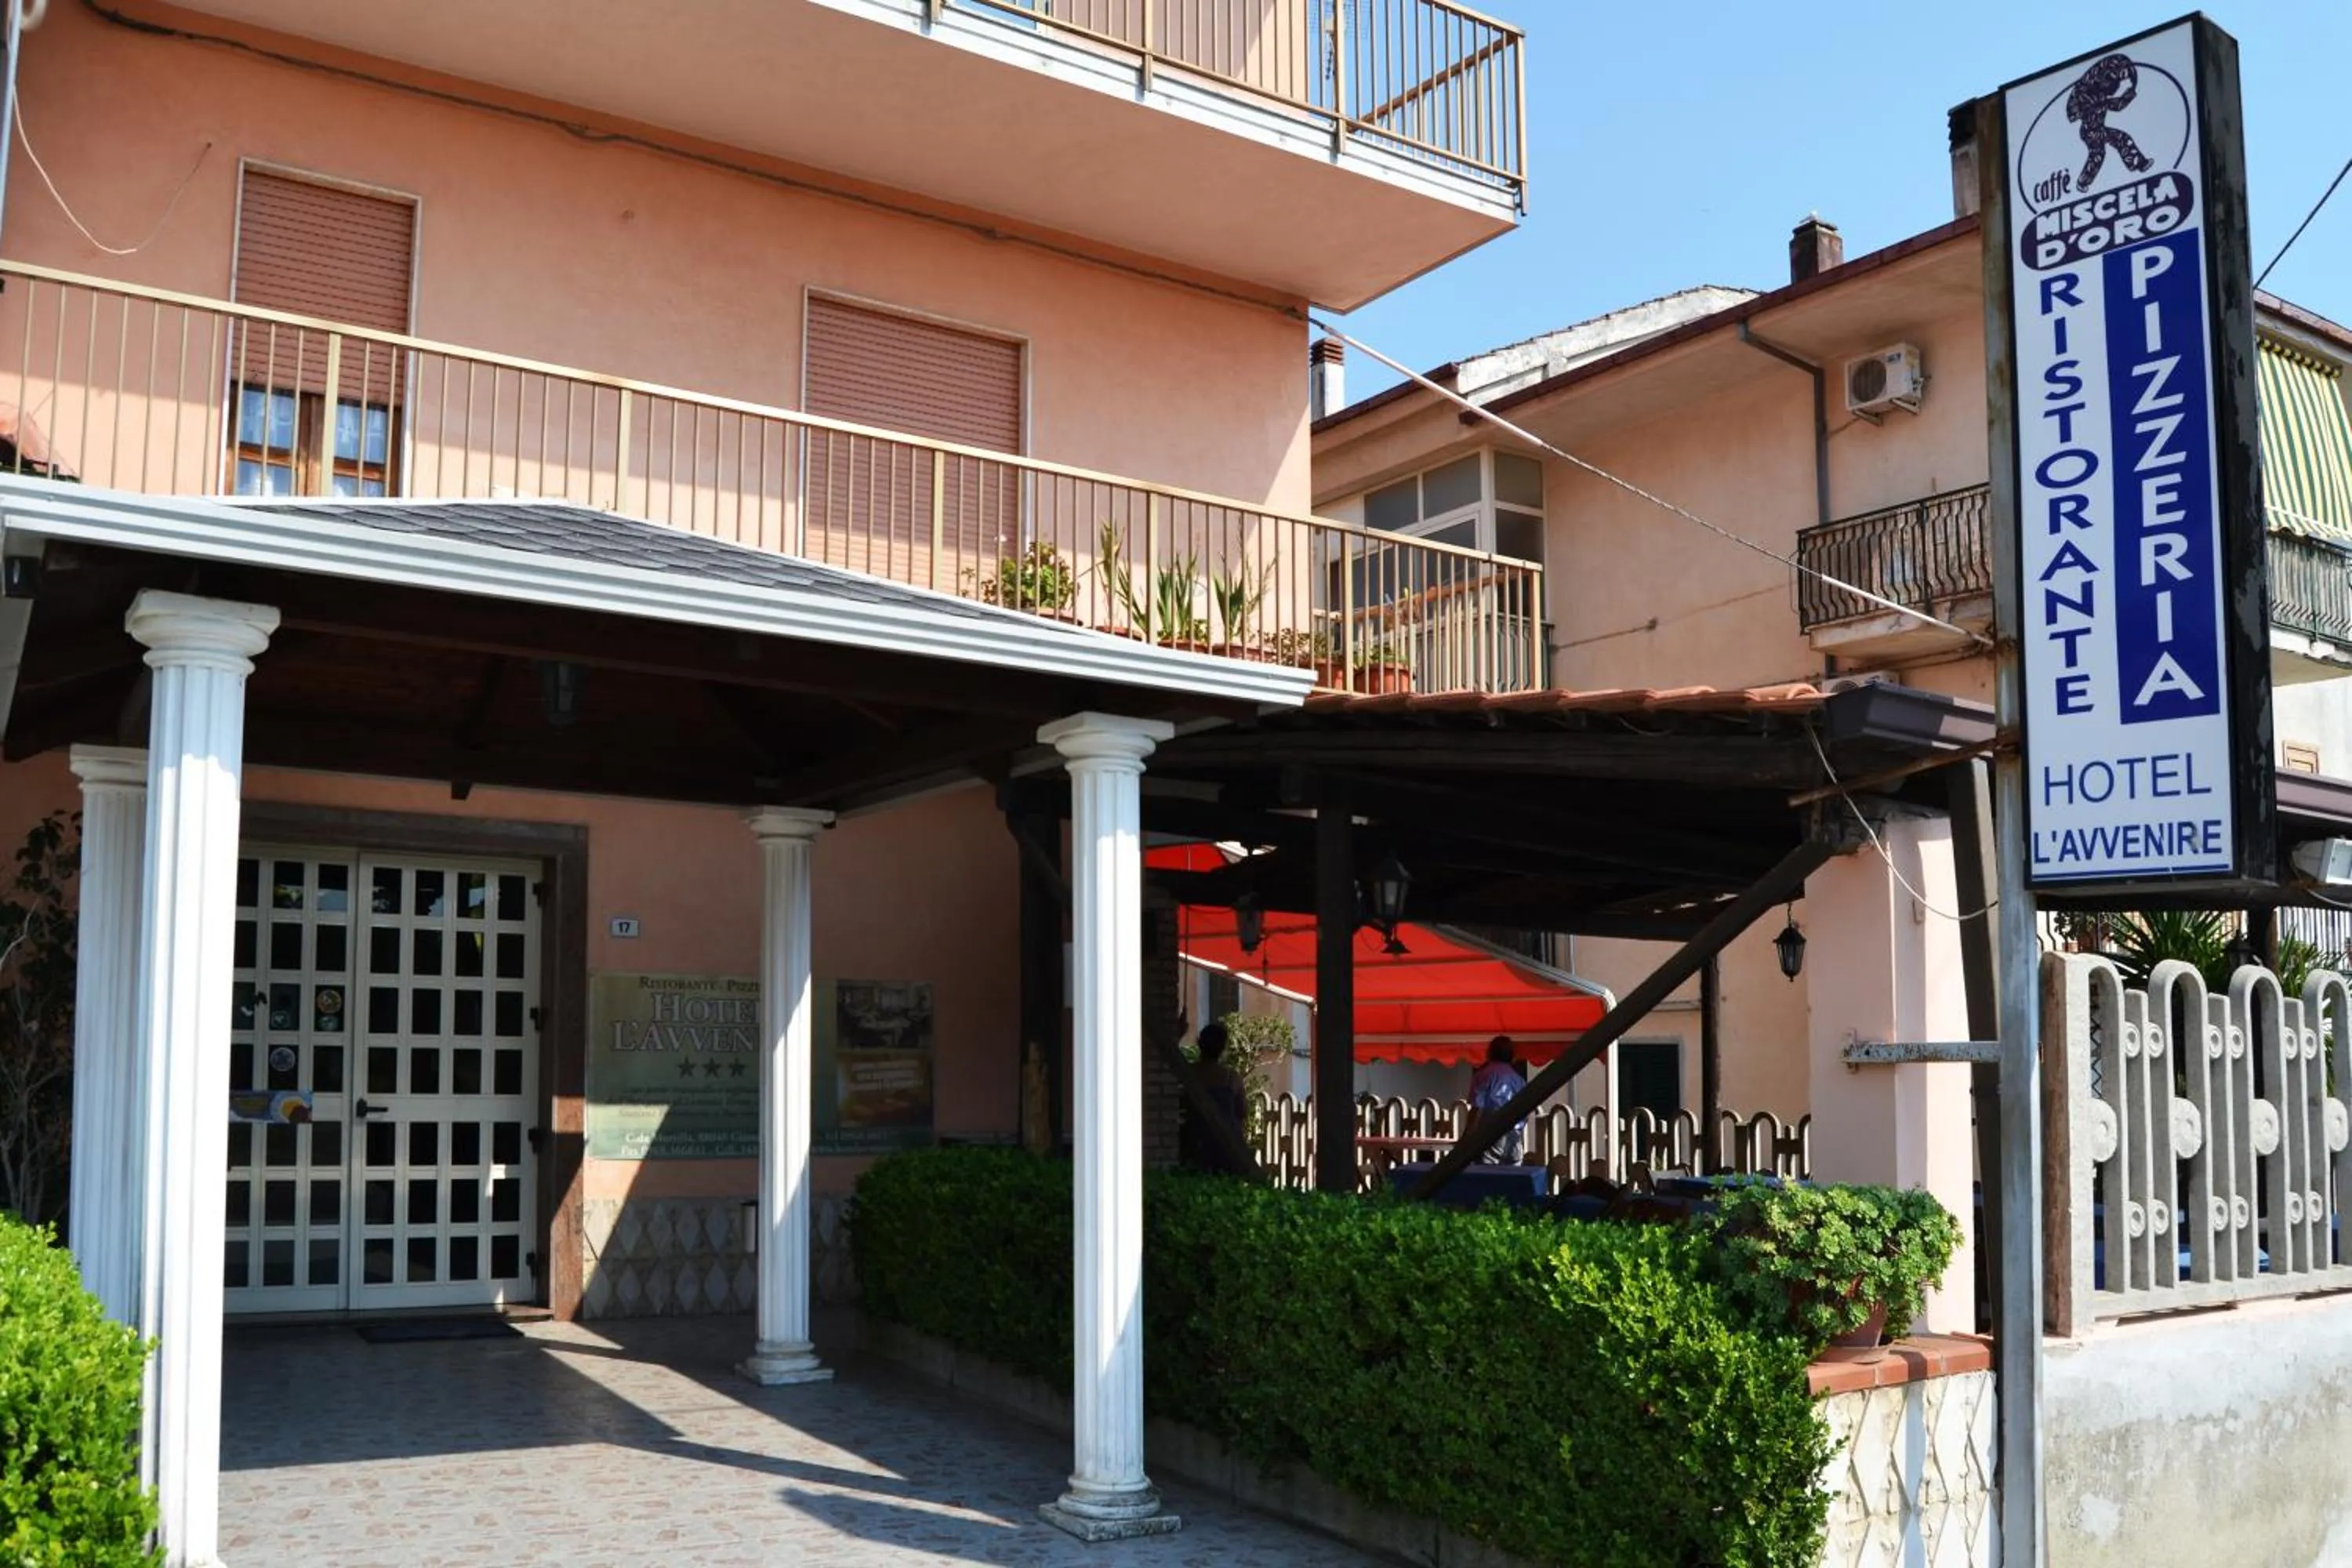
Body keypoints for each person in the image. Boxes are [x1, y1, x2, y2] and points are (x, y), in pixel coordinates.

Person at [1180, 1022, 1250, 1173]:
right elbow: (1242, 1112)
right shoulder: (1231, 1078)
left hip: (1194, 1145)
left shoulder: (1187, 1073)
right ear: (1223, 1048)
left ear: (1199, 1043)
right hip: (1227, 1149)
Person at [1467, 1035, 1527, 1164]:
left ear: (1490, 1053)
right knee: (1512, 1181)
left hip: (1489, 1135)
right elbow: (1525, 1112)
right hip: (1514, 1137)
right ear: (1512, 1056)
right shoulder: (1519, 1080)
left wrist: (1466, 1138)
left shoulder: (1484, 1075)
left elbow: (1477, 1109)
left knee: (1488, 1179)